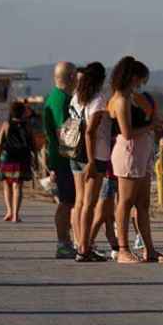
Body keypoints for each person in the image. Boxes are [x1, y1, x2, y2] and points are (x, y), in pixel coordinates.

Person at [108, 56, 163, 264]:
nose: (141, 84)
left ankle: (149, 249)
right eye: (140, 79)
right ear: (132, 77)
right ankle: (122, 249)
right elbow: (127, 133)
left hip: (140, 153)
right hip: (128, 153)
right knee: (125, 202)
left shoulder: (131, 98)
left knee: (143, 203)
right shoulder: (120, 100)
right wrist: (152, 126)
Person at [70, 62, 111, 262]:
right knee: (89, 204)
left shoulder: (76, 98)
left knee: (79, 202)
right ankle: (84, 248)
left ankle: (80, 243)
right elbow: (90, 131)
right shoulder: (98, 100)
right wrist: (92, 161)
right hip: (94, 156)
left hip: (74, 154)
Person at [42, 62, 78, 259]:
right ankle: (63, 241)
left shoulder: (56, 98)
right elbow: (63, 131)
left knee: (68, 201)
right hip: (64, 158)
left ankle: (67, 240)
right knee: (67, 202)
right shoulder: (61, 100)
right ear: (71, 77)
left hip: (60, 157)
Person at [0, 101, 34, 223]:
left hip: (7, 157)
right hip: (22, 157)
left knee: (6, 185)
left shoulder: (6, 124)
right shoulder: (27, 125)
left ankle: (9, 212)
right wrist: (35, 160)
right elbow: (33, 144)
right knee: (18, 186)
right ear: (22, 112)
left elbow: (0, 144)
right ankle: (16, 215)